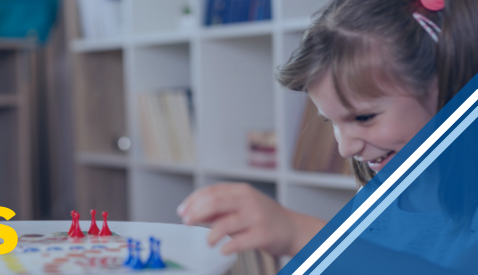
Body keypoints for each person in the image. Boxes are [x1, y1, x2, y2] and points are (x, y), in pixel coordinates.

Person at [178, 0, 478, 260]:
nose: (345, 149)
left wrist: (298, 233)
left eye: (363, 118)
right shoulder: (381, 192)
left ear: (450, 89)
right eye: (331, 122)